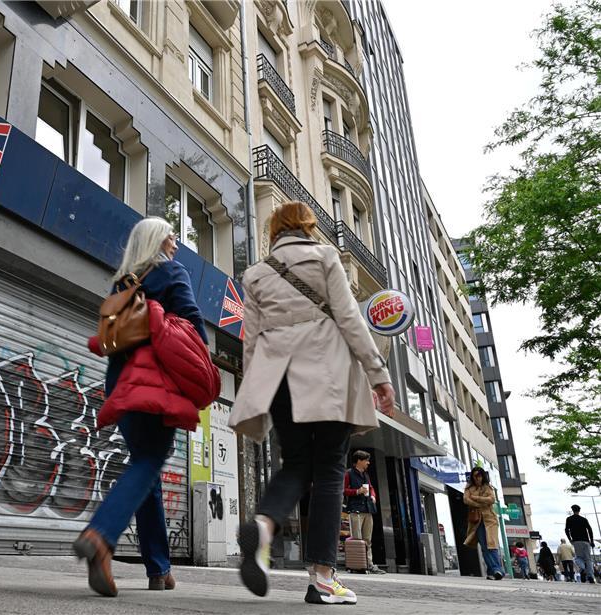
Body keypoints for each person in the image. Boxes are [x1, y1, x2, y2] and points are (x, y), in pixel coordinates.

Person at [228, 202, 395, 605]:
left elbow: (250, 339)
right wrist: (379, 374)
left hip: (279, 374)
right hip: (328, 372)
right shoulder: (324, 257)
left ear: (274, 231)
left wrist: (256, 387)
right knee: (330, 470)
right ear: (307, 227)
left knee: (297, 464)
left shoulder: (256, 273)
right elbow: (350, 319)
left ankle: (265, 525)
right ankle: (322, 577)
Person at [73, 218, 209, 597]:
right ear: (157, 240)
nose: (176, 245)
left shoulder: (123, 283)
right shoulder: (171, 272)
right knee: (150, 461)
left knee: (145, 468)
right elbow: (195, 328)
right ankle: (101, 535)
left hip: (121, 385)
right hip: (154, 384)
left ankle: (159, 568)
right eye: (172, 236)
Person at [343, 450, 385, 574]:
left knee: (367, 539)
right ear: (359, 461)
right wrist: (357, 491)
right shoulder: (348, 474)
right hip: (355, 510)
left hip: (367, 509)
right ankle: (357, 565)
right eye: (366, 460)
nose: (368, 462)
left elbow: (371, 487)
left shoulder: (366, 475)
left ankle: (369, 564)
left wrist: (373, 496)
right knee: (357, 538)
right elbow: (343, 490)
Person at [463, 467, 504, 580]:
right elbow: (466, 500)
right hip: (477, 521)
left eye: (479, 475)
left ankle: (497, 570)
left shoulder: (487, 486)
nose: (477, 478)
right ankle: (492, 572)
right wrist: (481, 502)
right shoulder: (469, 487)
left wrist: (476, 498)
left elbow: (491, 499)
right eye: (475, 476)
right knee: (485, 547)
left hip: (490, 520)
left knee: (492, 545)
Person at [565, 504, 596, 583]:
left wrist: (570, 539)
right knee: (588, 559)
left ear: (572, 510)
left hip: (576, 541)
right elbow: (589, 529)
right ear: (579, 510)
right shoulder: (583, 519)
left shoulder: (569, 519)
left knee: (578, 557)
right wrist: (591, 540)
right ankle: (590, 576)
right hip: (586, 541)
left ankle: (583, 568)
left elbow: (566, 530)